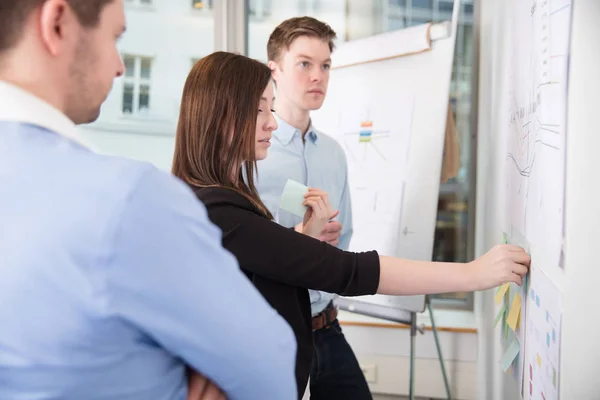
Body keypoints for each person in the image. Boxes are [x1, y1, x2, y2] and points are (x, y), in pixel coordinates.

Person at [172, 51, 531, 399]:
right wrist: (474, 273)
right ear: (220, 117)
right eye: (258, 110)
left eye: (270, 106)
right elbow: (350, 271)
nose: (271, 121)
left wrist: (302, 238)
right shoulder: (219, 211)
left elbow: (255, 269)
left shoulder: (213, 199)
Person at [0, 1, 297, 399]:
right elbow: (272, 370)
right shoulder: (127, 199)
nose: (120, 66)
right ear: (57, 23)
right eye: (114, 37)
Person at [255, 16, 368, 399]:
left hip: (327, 326)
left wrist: (326, 245)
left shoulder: (335, 155)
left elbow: (344, 236)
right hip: (273, 333)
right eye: (304, 64)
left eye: (325, 66)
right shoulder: (251, 155)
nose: (317, 76)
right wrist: (302, 239)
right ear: (275, 70)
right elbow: (240, 249)